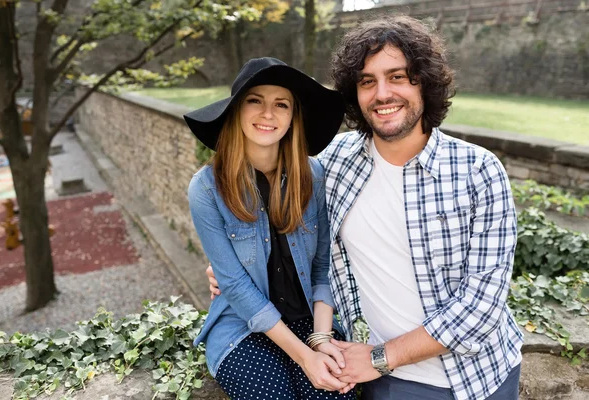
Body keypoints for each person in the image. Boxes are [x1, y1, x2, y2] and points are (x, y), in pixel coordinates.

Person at [207, 16, 523, 400]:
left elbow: (481, 308)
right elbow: (278, 218)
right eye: (367, 81)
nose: (382, 94)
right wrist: (231, 263)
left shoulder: (478, 172)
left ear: (425, 81)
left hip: (476, 378)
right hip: (384, 383)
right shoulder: (334, 162)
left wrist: (378, 358)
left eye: (399, 77)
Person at [184, 57, 356, 400]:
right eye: (255, 100)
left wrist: (320, 341)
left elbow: (323, 267)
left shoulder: (314, 176)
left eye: (281, 104)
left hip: (310, 318)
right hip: (240, 326)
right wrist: (305, 357)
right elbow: (233, 284)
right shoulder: (206, 189)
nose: (268, 114)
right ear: (236, 110)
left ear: (293, 115)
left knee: (335, 394)